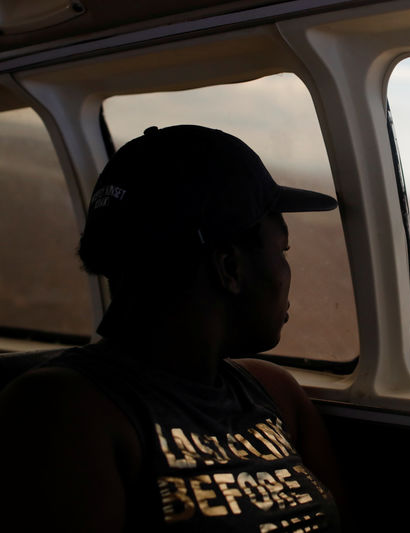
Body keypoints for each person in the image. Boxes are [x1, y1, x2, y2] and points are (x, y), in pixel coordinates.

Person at [0, 125, 346, 532]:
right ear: (230, 268)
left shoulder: (275, 392)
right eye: (282, 251)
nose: (288, 273)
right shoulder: (59, 412)